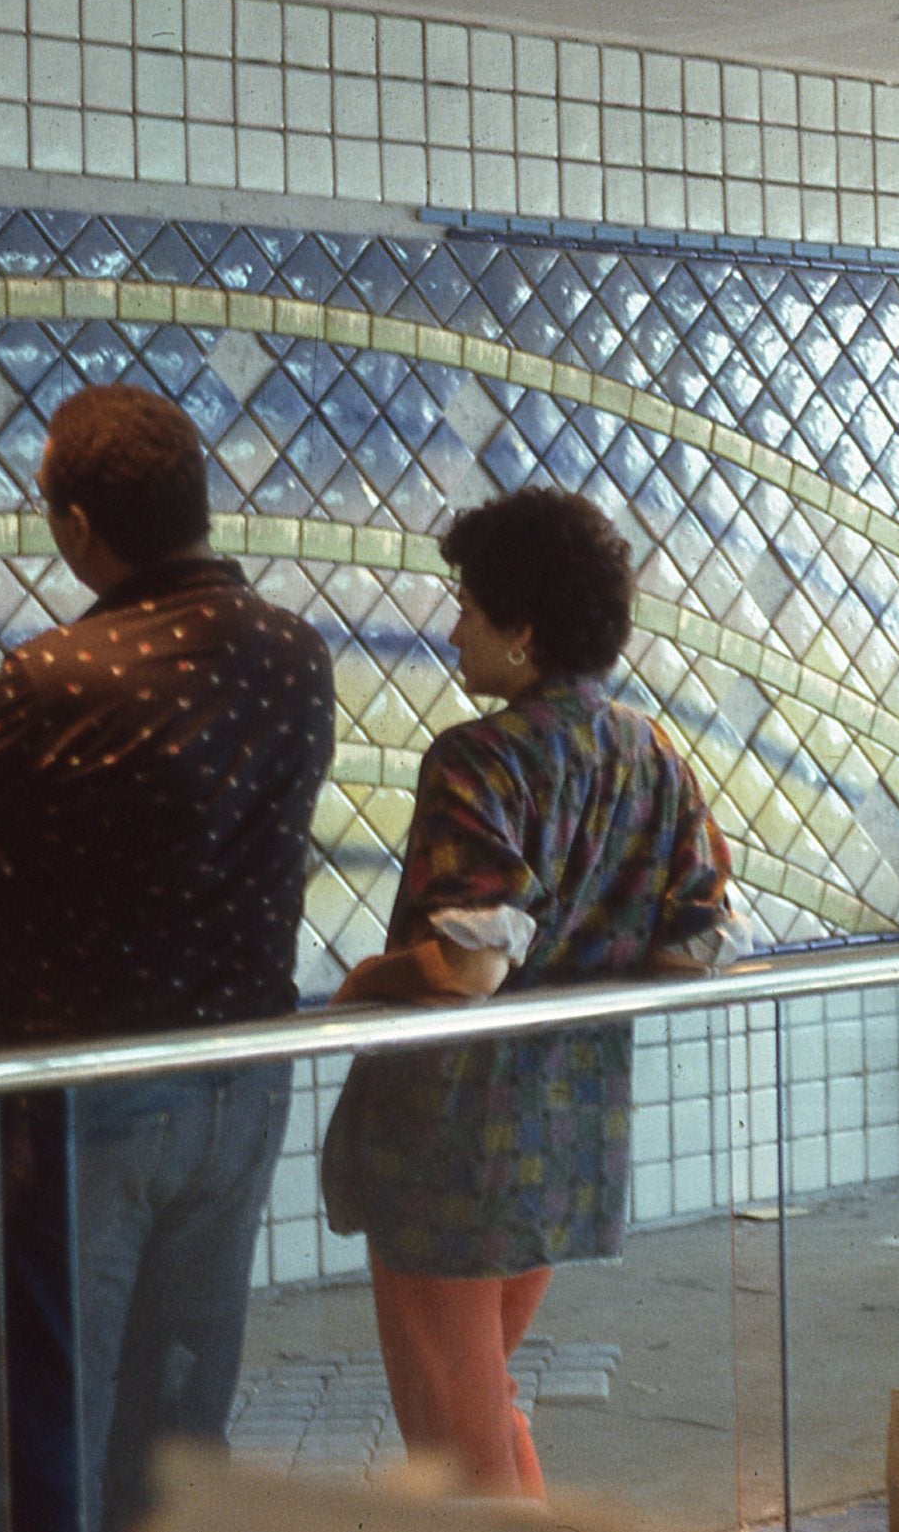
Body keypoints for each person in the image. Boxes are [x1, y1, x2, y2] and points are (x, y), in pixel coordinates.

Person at [0, 385, 334, 1531]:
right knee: (178, 1435)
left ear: (78, 524)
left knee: (43, 1435)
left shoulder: (54, 674)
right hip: (239, 1089)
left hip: (71, 1108)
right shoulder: (295, 656)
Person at [320, 487, 748, 1499]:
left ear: (521, 629)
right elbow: (699, 941)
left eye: (468, 605)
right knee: (488, 1407)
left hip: (451, 1145)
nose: (453, 627)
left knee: (456, 1454)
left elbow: (469, 964)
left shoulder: (478, 757)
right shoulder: (652, 754)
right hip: (572, 1132)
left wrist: (366, 978)